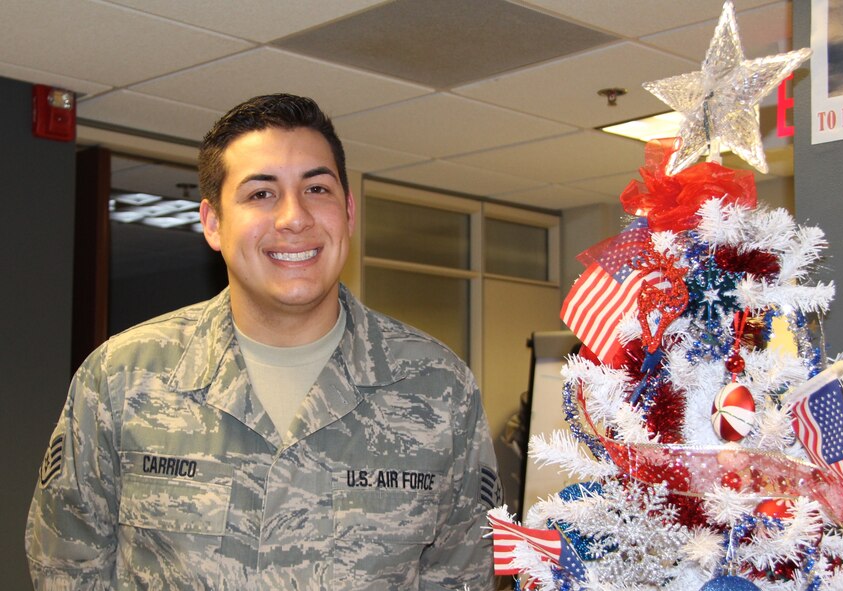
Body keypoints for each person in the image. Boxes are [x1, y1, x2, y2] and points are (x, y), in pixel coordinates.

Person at [26, 94, 501, 590]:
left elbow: (464, 575)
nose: (294, 217)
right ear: (212, 222)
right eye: (261, 194)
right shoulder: (122, 378)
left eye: (317, 188)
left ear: (349, 212)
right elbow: (65, 565)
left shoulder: (439, 390)